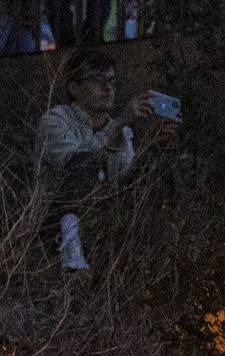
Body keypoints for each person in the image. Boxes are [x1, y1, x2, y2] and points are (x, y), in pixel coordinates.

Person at [35, 49, 176, 272]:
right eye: (97, 80)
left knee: (157, 167)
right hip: (57, 218)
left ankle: (167, 251)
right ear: (74, 88)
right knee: (83, 163)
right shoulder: (55, 121)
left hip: (103, 215)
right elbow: (75, 165)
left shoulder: (121, 130)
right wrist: (118, 124)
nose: (107, 88)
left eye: (111, 81)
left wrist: (152, 147)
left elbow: (124, 179)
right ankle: (71, 253)